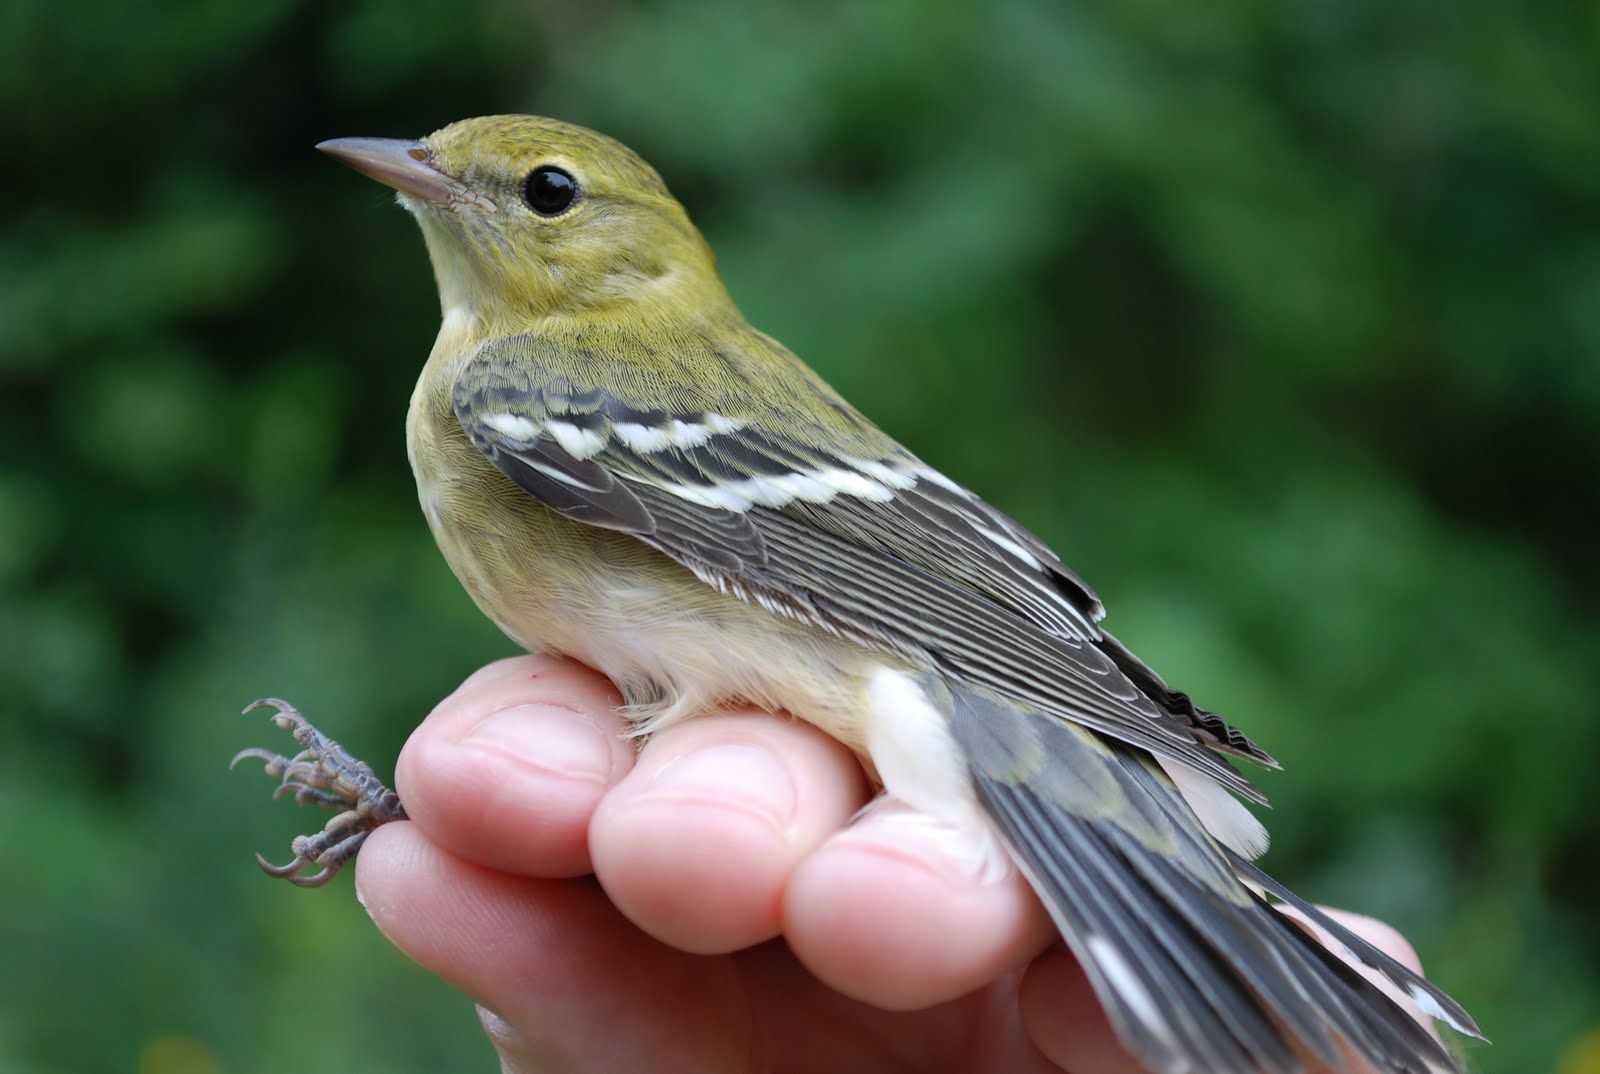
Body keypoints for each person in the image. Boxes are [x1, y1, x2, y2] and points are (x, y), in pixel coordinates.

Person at [354, 655, 1434, 1074]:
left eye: (544, 192)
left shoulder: (506, 392)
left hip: (913, 649)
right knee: (670, 823)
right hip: (907, 663)